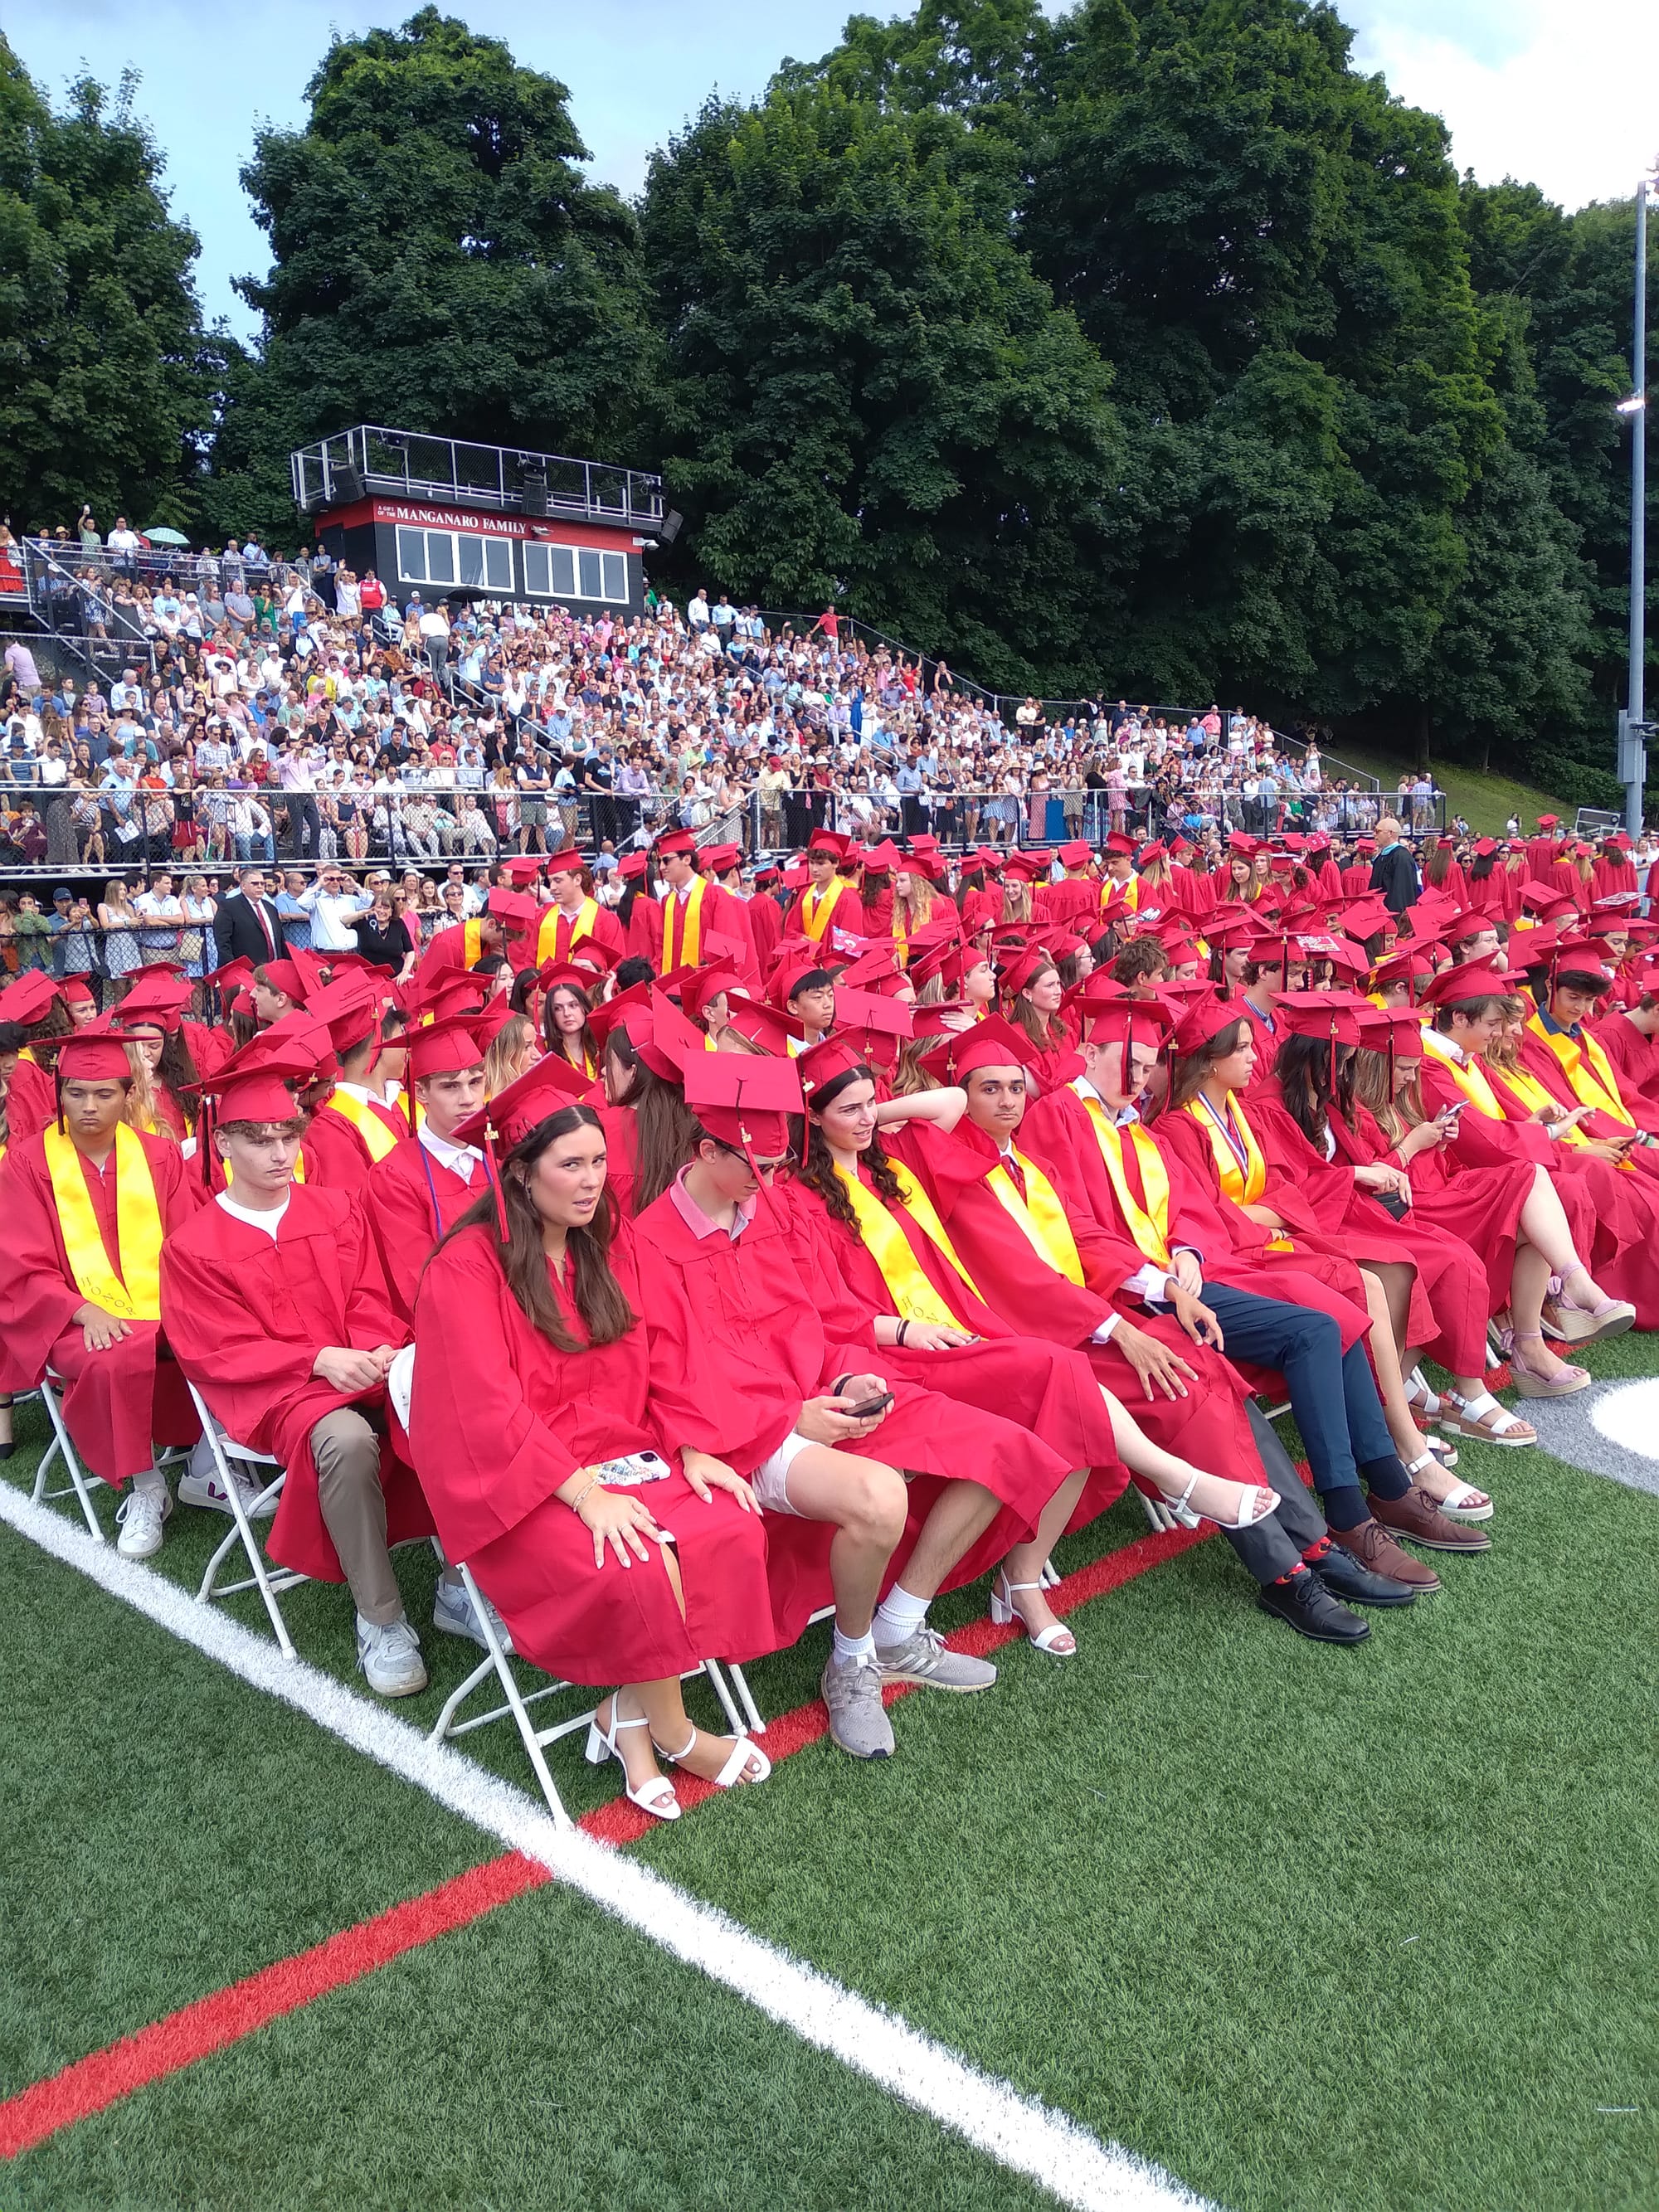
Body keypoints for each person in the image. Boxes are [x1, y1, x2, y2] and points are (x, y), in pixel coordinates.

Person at [632, 1053, 1093, 1757]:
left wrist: (849, 1380)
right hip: (744, 1435)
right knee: (881, 1498)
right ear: (705, 1151)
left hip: (822, 1398)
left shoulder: (768, 1211)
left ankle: (899, 1627)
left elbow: (819, 1322)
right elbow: (667, 1380)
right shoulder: (647, 1246)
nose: (766, 1183)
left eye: (775, 1166)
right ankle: (851, 1664)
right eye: (753, 1167)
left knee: (1003, 1445)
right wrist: (790, 1418)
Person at [408, 1056, 774, 1820]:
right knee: (639, 1561)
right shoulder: (465, 1270)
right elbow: (485, 1407)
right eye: (569, 1165)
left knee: (730, 1524)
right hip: (524, 1484)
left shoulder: (611, 1241)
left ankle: (625, 1719)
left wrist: (692, 1446)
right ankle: (677, 1732)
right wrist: (582, 1492)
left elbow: (668, 1352)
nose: (591, 1181)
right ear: (520, 1173)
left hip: (628, 1452)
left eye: (599, 1161)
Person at [160, 1029, 437, 1697]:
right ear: (223, 1144)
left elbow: (371, 1293)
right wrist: (317, 1359)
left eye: (288, 1135)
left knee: (444, 1396)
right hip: (276, 1395)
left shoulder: (336, 1208)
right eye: (260, 1139)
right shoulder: (193, 1245)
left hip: (359, 1366)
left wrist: (375, 1347)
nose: (280, 1152)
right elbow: (219, 1348)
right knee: (345, 1438)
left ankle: (462, 1580)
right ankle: (381, 1618)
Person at [0, 1020, 202, 1557]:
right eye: (77, 1092)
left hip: (158, 1305)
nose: (89, 1106)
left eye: (104, 1093)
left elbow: (186, 1244)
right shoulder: (27, 1165)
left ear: (128, 1094)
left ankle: (207, 1467)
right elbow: (21, 1265)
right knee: (113, 1356)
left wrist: (184, 1308)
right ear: (59, 1093)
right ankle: (146, 1485)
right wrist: (82, 1309)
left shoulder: (158, 1157)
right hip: (72, 1319)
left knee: (216, 1335)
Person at [363, 1015, 492, 1321]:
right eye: (450, 1087)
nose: (468, 1099)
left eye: (475, 1082)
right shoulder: (395, 1177)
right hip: (455, 1325)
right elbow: (417, 1281)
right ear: (421, 1093)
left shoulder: (503, 1157)